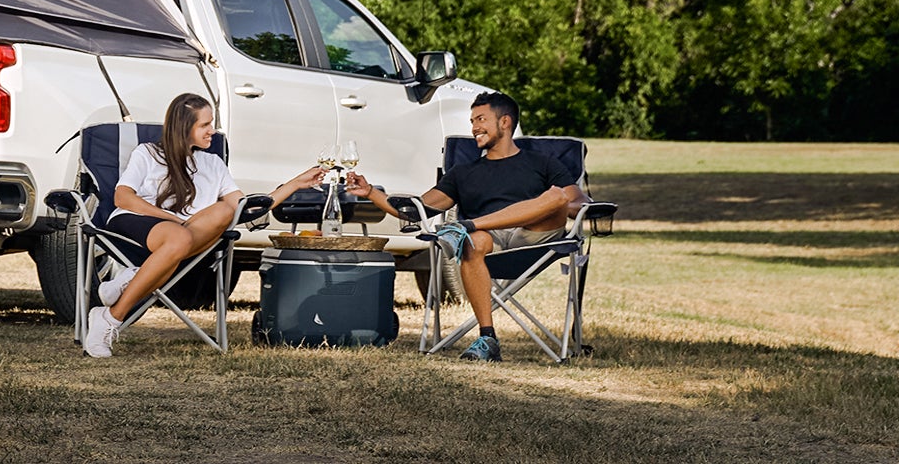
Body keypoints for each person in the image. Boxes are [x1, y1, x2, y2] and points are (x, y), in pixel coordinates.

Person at [346, 91, 587, 362]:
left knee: (556, 196)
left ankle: (467, 225)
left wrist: (582, 207)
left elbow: (572, 199)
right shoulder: (463, 172)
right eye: (472, 121)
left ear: (505, 122)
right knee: (472, 242)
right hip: (488, 244)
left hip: (540, 240)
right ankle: (487, 337)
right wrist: (371, 193)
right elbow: (417, 210)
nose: (474, 128)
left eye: (481, 119)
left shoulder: (541, 162)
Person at [82, 93, 325, 358]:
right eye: (205, 125)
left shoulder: (213, 164)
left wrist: (295, 184)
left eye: (212, 124)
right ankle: (113, 315)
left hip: (186, 237)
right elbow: (123, 197)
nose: (213, 131)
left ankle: (125, 291)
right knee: (179, 238)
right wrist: (171, 219)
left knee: (224, 209)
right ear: (184, 127)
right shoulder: (149, 153)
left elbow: (248, 209)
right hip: (137, 223)